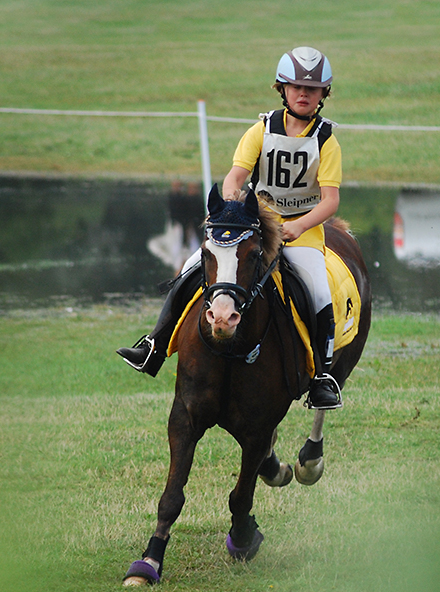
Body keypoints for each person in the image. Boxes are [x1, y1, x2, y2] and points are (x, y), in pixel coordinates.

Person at [117, 46, 343, 409]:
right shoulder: (260, 129)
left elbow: (330, 201)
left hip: (303, 230)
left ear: (323, 95)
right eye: (296, 86)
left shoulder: (326, 140)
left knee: (318, 292)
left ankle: (323, 376)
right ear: (281, 89)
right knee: (191, 267)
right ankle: (154, 346)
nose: (304, 94)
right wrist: (234, 202)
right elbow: (235, 177)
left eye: (312, 89)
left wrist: (299, 227)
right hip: (255, 223)